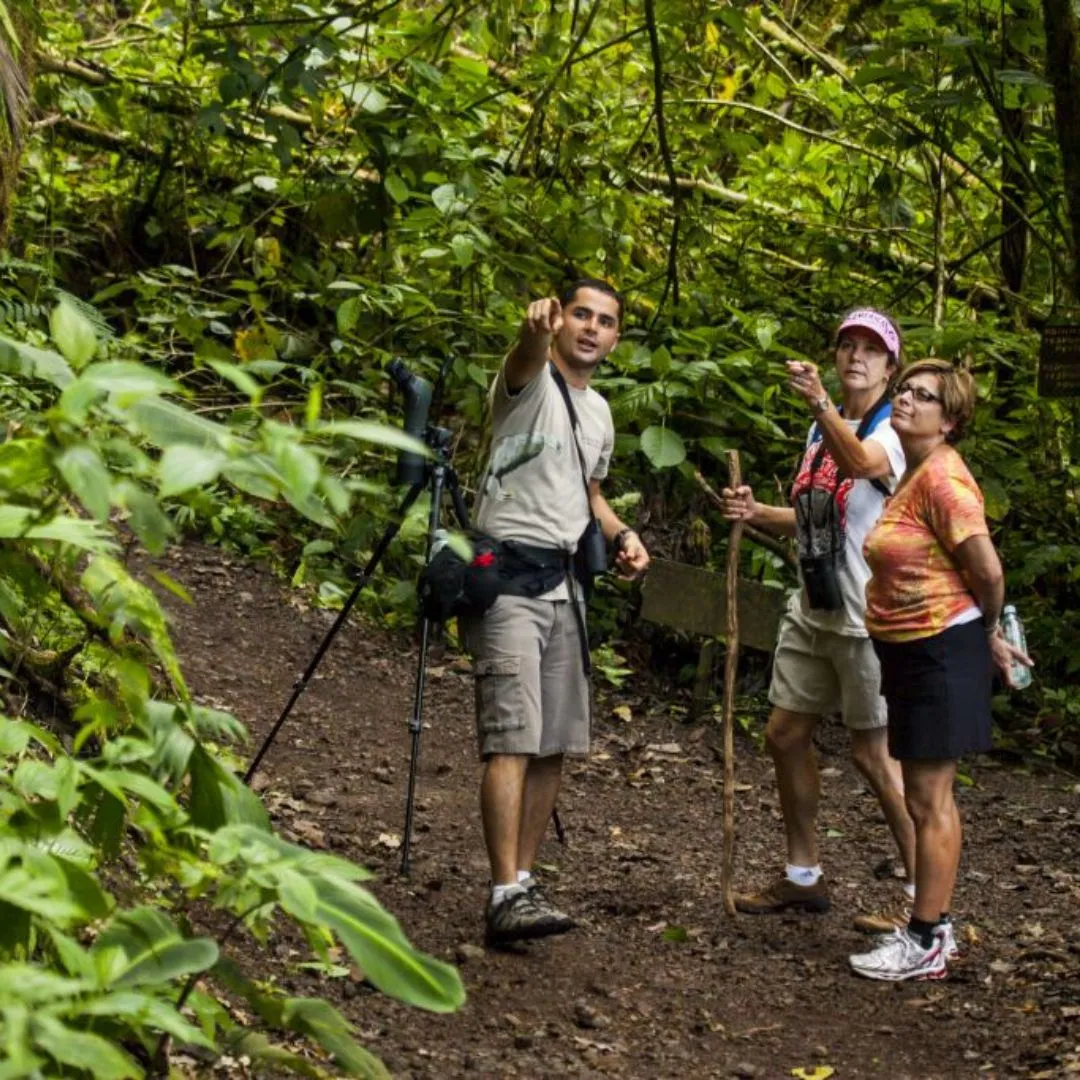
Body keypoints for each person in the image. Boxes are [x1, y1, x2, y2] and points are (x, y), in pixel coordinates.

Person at [466, 279, 650, 947]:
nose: (592, 329)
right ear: (562, 319)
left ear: (616, 336)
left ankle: (524, 880)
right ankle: (503, 891)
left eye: (605, 321)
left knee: (552, 746)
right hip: (509, 581)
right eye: (581, 315)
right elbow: (523, 353)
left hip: (566, 589)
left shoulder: (598, 412)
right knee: (512, 736)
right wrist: (534, 328)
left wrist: (622, 534)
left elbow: (590, 495)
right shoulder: (528, 379)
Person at [721, 308, 918, 931]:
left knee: (874, 755)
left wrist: (820, 407)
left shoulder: (892, 432)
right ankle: (803, 876)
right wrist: (758, 511)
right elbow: (819, 514)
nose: (856, 356)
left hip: (866, 615)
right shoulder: (822, 431)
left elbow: (862, 465)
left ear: (890, 366)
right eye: (847, 346)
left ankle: (922, 895)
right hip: (814, 604)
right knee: (783, 734)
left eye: (871, 350)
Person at [849, 359, 1032, 981]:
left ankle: (926, 938)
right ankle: (932, 930)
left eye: (924, 397)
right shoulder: (914, 471)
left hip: (940, 650)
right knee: (930, 795)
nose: (906, 400)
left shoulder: (945, 479)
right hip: (914, 648)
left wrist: (988, 633)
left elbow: (988, 569)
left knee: (929, 798)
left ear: (949, 420)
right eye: (905, 390)